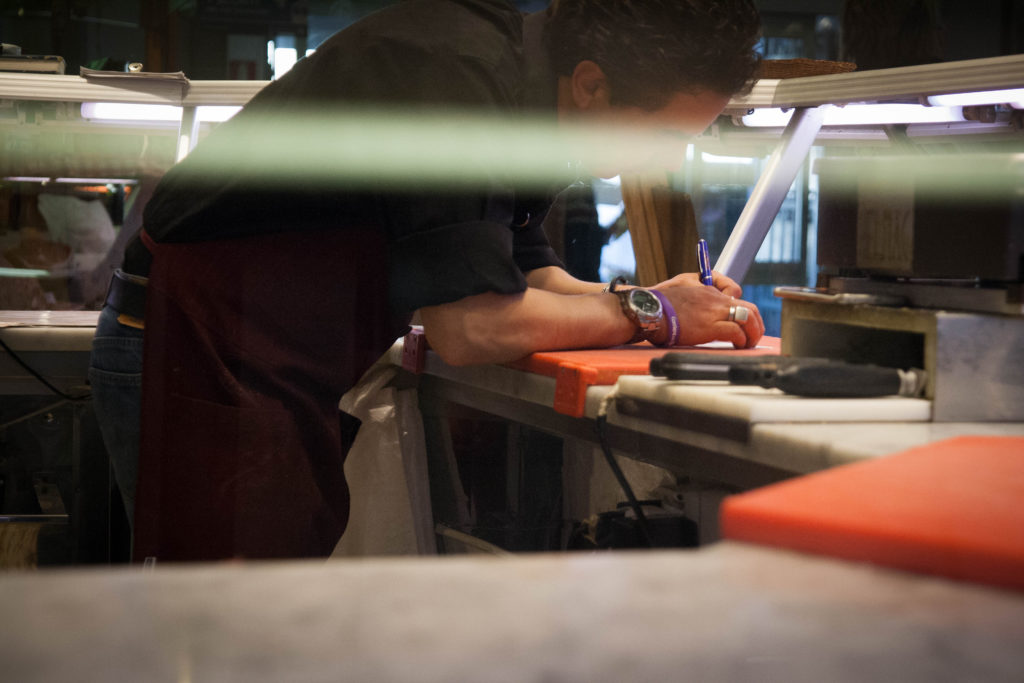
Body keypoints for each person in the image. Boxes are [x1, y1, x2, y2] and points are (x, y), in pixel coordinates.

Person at [90, 0, 765, 562]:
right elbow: (471, 323)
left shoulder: (534, 105)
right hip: (193, 342)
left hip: (270, 359)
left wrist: (675, 302)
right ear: (592, 84)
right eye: (671, 132)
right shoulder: (458, 77)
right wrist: (652, 312)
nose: (672, 160)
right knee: (224, 629)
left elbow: (528, 270)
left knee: (267, 613)